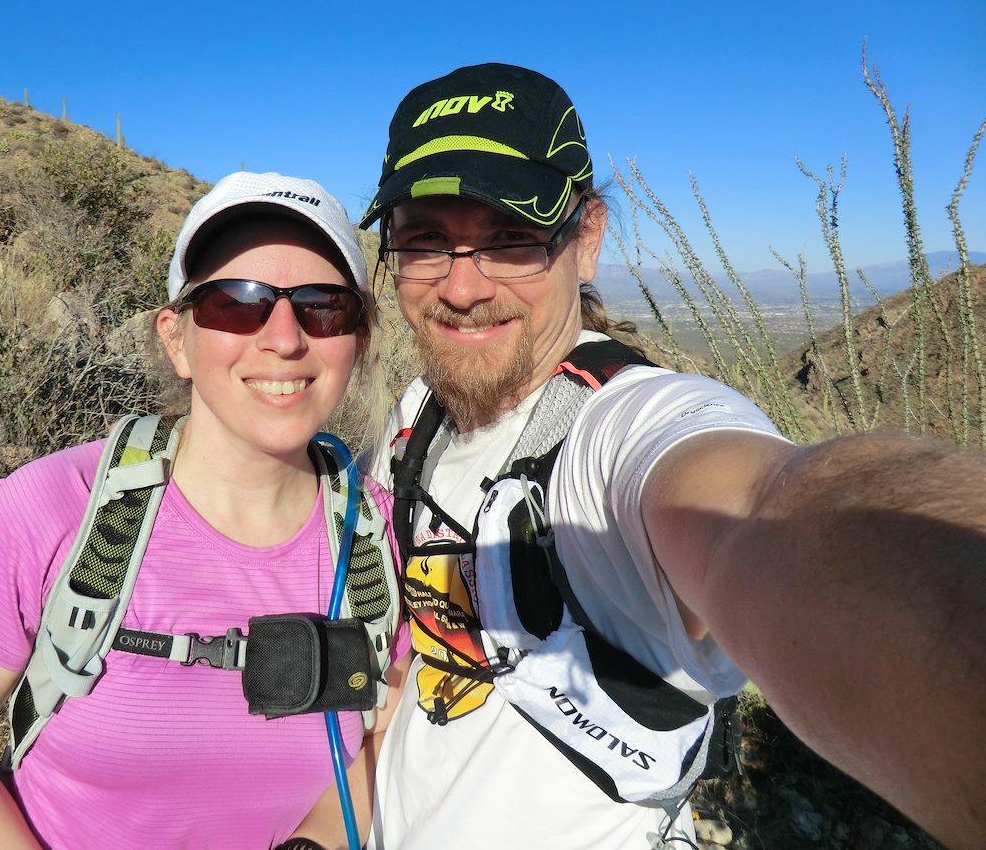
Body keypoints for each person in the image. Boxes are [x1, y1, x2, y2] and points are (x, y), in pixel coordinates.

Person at [357, 62, 986, 849]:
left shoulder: (617, 432)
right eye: (423, 242)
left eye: (511, 240)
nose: (461, 286)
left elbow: (768, 509)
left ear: (585, 239)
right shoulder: (417, 418)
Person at [0, 171, 405, 849]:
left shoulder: (382, 539)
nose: (283, 337)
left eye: (323, 307)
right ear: (177, 338)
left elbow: (385, 738)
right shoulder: (50, 512)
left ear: (356, 341)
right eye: (237, 304)